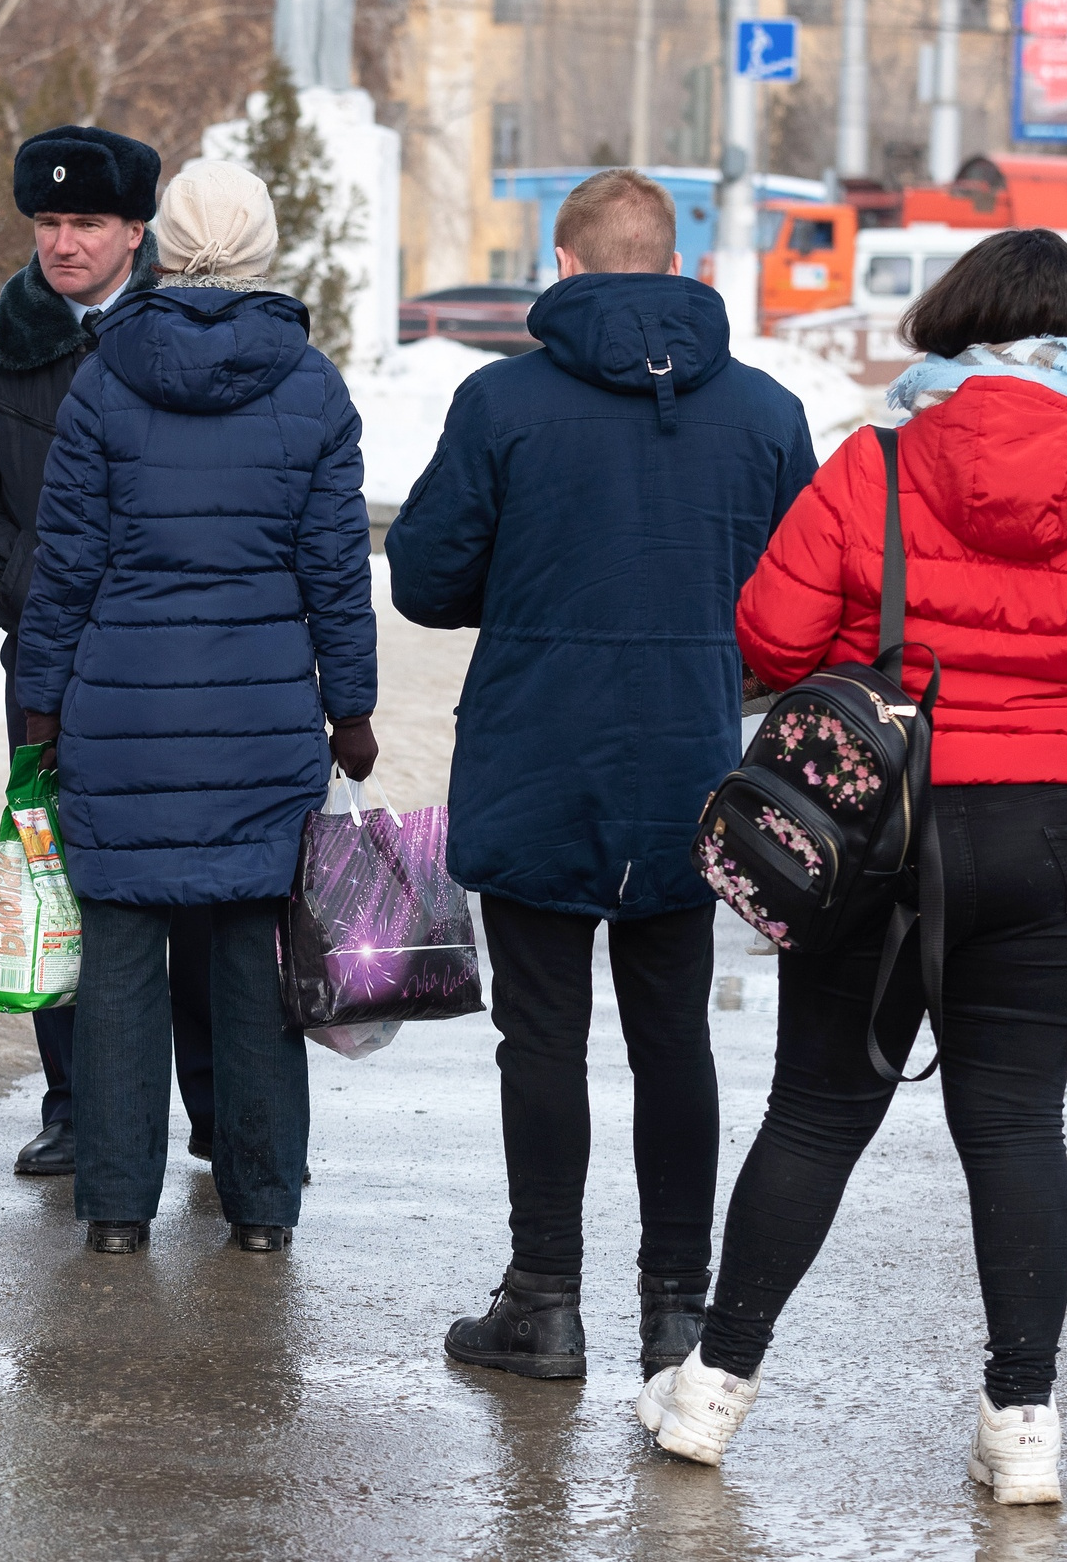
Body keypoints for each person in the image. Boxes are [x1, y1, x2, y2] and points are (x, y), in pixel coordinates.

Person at [637, 229, 1067, 1500]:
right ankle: (1022, 1431)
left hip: (874, 838)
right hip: (1047, 841)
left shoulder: (872, 469)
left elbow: (771, 637)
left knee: (816, 1113)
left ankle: (712, 1396)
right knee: (1014, 1127)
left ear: (954, 329)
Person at [387, 168, 816, 1380]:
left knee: (542, 1041)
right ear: (677, 267)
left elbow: (424, 580)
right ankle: (678, 1308)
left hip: (536, 751)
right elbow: (798, 608)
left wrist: (526, 582)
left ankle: (544, 1302)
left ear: (561, 269)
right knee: (673, 1038)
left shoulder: (500, 403)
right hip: (690, 762)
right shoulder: (764, 413)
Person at [14, 158, 377, 1256]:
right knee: (253, 975)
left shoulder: (106, 377)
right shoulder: (311, 386)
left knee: (120, 968)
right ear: (265, 250)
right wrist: (350, 710)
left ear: (162, 245)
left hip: (120, 718)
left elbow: (65, 567)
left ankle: (117, 1211)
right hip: (264, 723)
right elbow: (336, 574)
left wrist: (41, 705)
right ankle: (262, 1209)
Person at [0, 125, 217, 1179]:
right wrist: (23, 578)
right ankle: (77, 1108)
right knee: (59, 874)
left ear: (138, 230)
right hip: (55, 659)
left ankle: (217, 1112)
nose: (63, 243)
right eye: (47, 222)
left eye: (87, 222)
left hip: (182, 659)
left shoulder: (193, 335)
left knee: (193, 886)